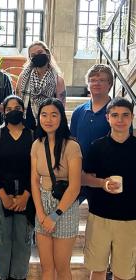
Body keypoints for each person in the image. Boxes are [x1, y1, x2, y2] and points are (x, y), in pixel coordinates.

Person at [82, 97, 136, 280]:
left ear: (132, 118)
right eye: (115, 115)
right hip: (100, 216)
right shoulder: (97, 147)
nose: (120, 120)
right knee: (97, 270)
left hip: (130, 219)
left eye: (125, 115)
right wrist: (102, 184)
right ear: (107, 118)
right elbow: (84, 178)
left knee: (124, 273)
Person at [0, 95, 35, 280]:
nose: (14, 111)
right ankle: (2, 276)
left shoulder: (32, 135)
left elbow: (36, 169)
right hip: (0, 194)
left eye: (18, 107)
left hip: (27, 195)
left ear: (23, 110)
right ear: (4, 112)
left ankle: (19, 276)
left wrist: (26, 195)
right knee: (2, 240)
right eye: (9, 108)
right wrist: (3, 196)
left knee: (23, 240)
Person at [31, 98, 81, 280]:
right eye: (44, 115)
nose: (48, 119)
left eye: (54, 115)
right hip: (42, 206)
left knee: (62, 267)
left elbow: (75, 187)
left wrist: (55, 215)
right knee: (46, 267)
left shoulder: (72, 146)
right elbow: (34, 180)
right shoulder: (36, 144)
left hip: (65, 207)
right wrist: (41, 214)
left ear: (61, 118)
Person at [70, 64, 113, 203]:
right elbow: (72, 141)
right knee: (71, 215)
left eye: (101, 80)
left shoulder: (117, 112)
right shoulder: (79, 111)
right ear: (88, 85)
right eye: (92, 80)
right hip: (80, 173)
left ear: (110, 84)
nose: (96, 83)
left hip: (104, 175)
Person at [16, 41, 66, 128]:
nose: (37, 56)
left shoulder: (58, 80)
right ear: (30, 58)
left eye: (40, 52)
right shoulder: (23, 77)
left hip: (48, 125)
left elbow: (60, 108)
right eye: (33, 55)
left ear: (46, 52)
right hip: (26, 124)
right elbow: (17, 100)